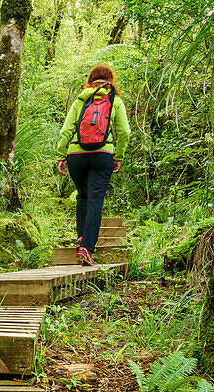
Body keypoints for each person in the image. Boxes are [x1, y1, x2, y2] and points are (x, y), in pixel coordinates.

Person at [56, 64, 131, 265]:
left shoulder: (80, 101)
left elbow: (66, 131)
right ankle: (87, 248)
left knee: (82, 195)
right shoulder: (115, 101)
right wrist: (119, 156)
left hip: (76, 156)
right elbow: (124, 132)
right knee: (95, 199)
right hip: (103, 155)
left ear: (89, 82)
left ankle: (81, 237)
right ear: (110, 81)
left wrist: (62, 155)